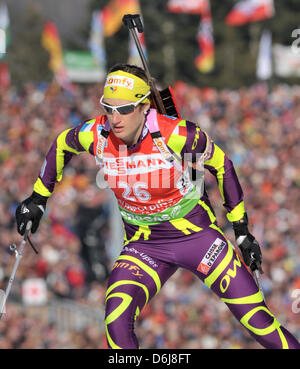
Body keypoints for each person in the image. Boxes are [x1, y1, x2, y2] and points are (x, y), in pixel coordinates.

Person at [16, 64, 300, 349]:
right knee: (116, 320)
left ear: (143, 106)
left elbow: (221, 164)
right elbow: (62, 145)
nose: (115, 118)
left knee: (257, 321)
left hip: (198, 239)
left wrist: (241, 230)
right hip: (144, 246)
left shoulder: (175, 133)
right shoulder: (98, 133)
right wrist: (38, 198)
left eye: (125, 109)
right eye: (108, 108)